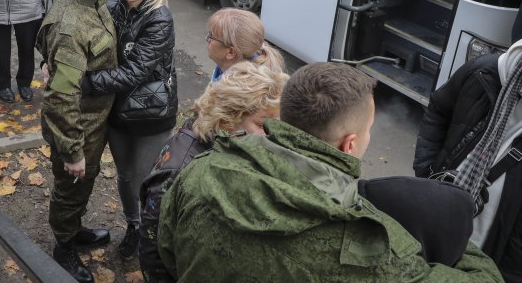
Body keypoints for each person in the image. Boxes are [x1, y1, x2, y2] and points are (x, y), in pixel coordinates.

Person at [157, 62, 503, 281]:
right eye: (369, 130)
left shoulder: (201, 171)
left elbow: (167, 255)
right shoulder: (370, 249)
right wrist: (458, 230)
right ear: (350, 144)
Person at [69, 0, 175, 260]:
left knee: (145, 179)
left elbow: (135, 72)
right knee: (126, 176)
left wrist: (86, 83)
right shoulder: (112, 7)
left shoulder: (160, 19)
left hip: (150, 116)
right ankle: (134, 224)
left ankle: (147, 232)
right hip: (117, 111)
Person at [139, 62, 286, 282]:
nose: (273, 135)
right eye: (262, 125)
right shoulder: (178, 170)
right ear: (228, 118)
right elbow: (153, 251)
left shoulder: (230, 141)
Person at [36, 0, 117, 282]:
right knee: (70, 189)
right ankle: (64, 247)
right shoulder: (70, 25)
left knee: (83, 187)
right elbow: (59, 97)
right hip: (78, 128)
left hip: (95, 123)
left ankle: (74, 229)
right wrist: (72, 151)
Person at [414, 39, 522, 280]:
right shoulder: (484, 72)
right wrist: (427, 170)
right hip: (443, 213)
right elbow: (439, 110)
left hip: (502, 250)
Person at [205, 7, 283, 82]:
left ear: (231, 52)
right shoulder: (225, 68)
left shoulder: (232, 93)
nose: (206, 38)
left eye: (211, 36)